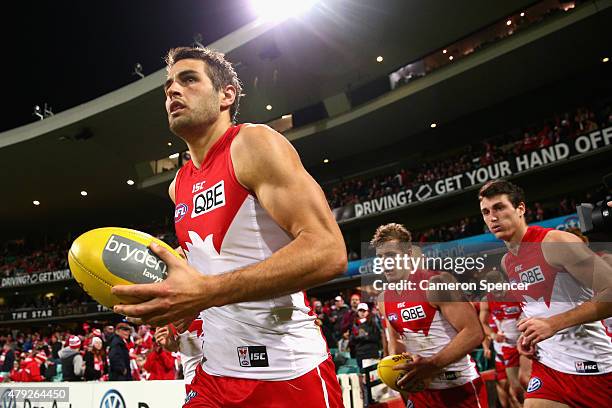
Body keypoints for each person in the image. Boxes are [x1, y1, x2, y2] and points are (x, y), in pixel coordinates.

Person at [112, 46, 346, 407]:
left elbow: (328, 251)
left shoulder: (253, 143)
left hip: (287, 374)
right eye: (169, 86)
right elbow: (208, 270)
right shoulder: (179, 186)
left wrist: (206, 292)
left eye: (189, 80)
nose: (173, 91)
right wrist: (178, 316)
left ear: (227, 95)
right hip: (214, 376)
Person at [478, 180, 612, 407]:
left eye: (500, 208)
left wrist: (553, 324)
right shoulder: (507, 261)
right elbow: (538, 308)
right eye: (486, 212)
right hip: (549, 367)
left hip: (594, 365)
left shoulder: (556, 242)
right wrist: (530, 335)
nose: (493, 217)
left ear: (520, 208)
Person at [372, 223, 487, 408]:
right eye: (381, 257)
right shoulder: (384, 299)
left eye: (391, 255)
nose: (386, 262)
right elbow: (397, 343)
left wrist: (432, 366)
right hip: (421, 393)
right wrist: (399, 378)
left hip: (458, 388)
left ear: (408, 254)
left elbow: (474, 333)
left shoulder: (436, 283)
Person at [348, 303, 381, 368]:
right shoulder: (354, 324)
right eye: (360, 311)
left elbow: (377, 337)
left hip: (371, 353)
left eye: (364, 311)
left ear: (367, 312)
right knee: (362, 375)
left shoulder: (373, 323)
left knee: (373, 375)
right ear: (357, 312)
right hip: (360, 353)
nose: (362, 313)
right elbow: (351, 340)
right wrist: (357, 336)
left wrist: (366, 336)